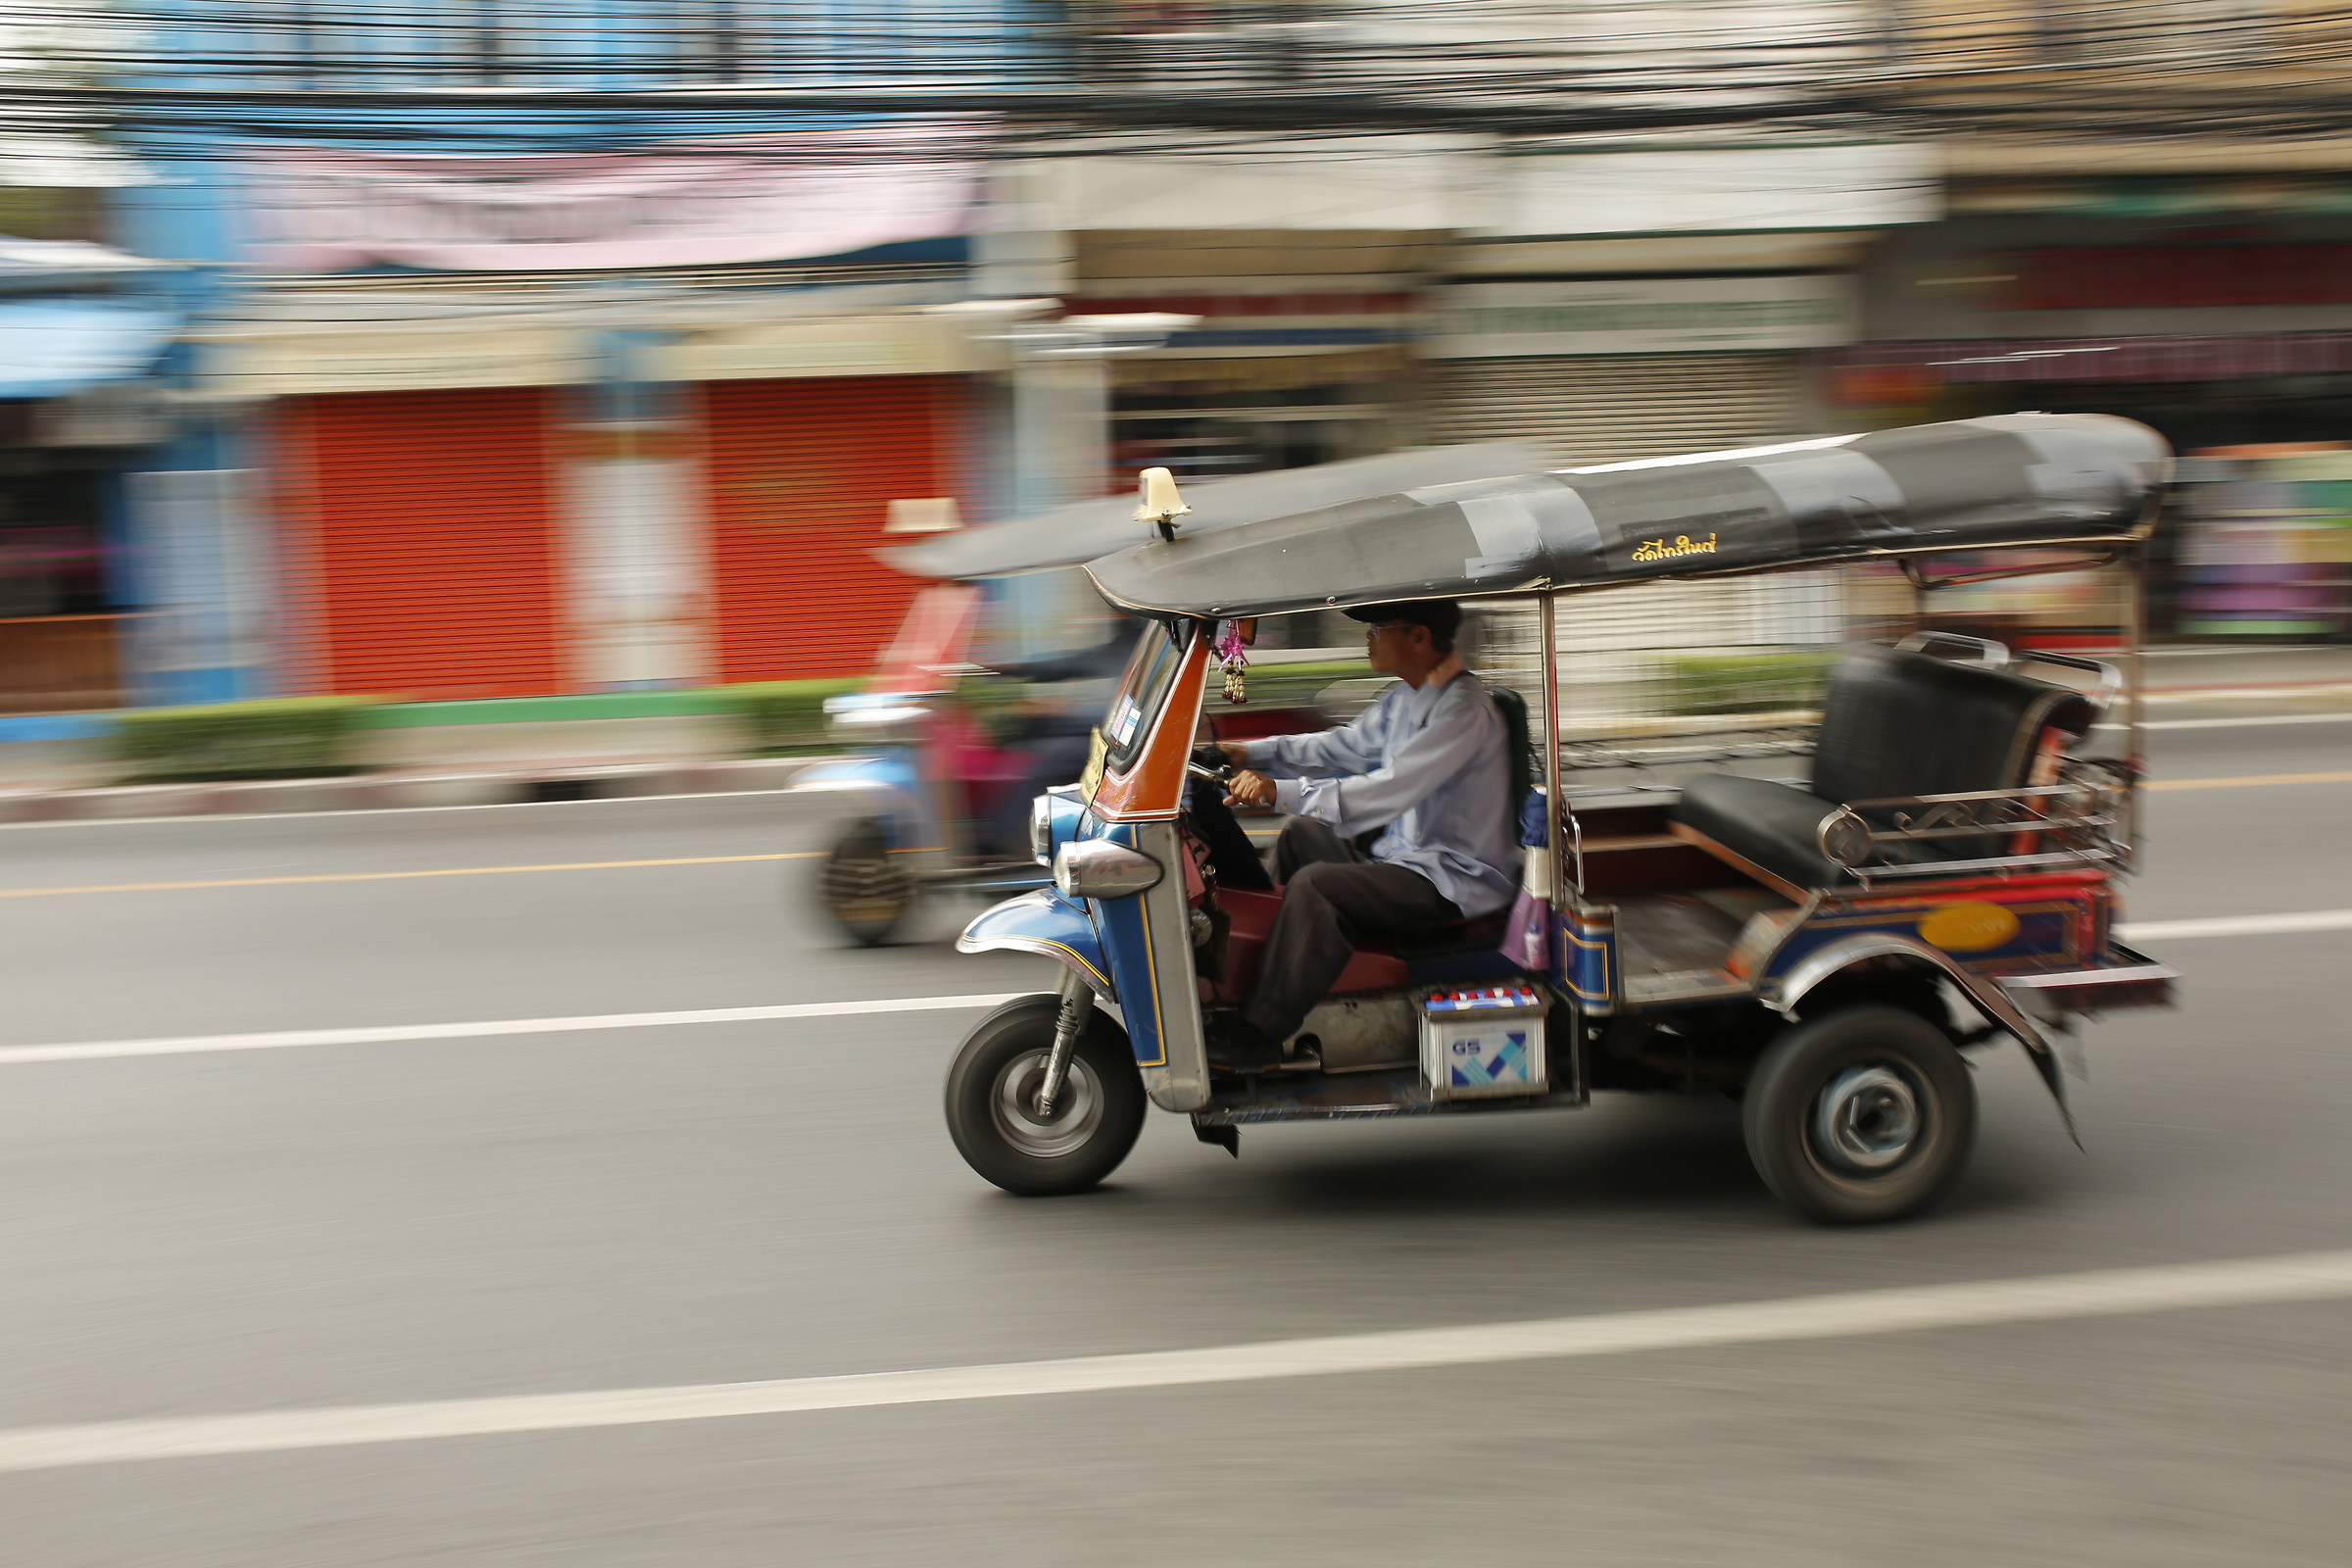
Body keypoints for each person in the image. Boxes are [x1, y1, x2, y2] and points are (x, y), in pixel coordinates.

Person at [1207, 599, 1518, 1069]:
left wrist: (1279, 790)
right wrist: (1253, 754)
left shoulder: (1464, 712)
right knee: (1299, 834)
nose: (1368, 637)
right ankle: (1268, 967)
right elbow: (1344, 746)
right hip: (1404, 858)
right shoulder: (1406, 696)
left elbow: (1388, 791)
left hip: (1452, 879)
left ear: (1419, 637)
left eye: (1379, 628)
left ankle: (1261, 1030)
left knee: (1317, 885)